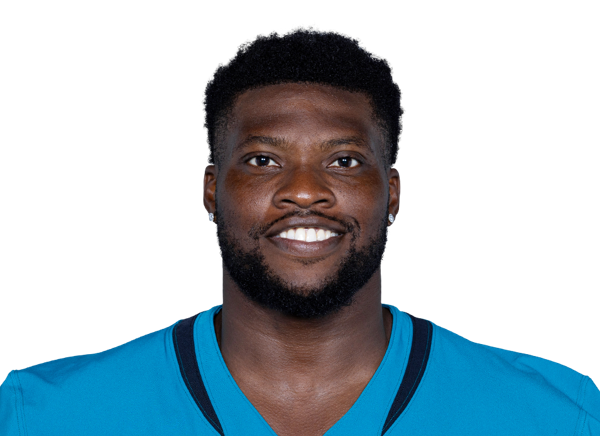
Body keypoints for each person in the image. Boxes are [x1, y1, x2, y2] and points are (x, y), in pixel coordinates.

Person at [1, 30, 598, 436]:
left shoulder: (559, 415)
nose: (305, 191)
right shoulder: (42, 415)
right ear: (211, 191)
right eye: (263, 160)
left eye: (344, 161)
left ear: (392, 194)